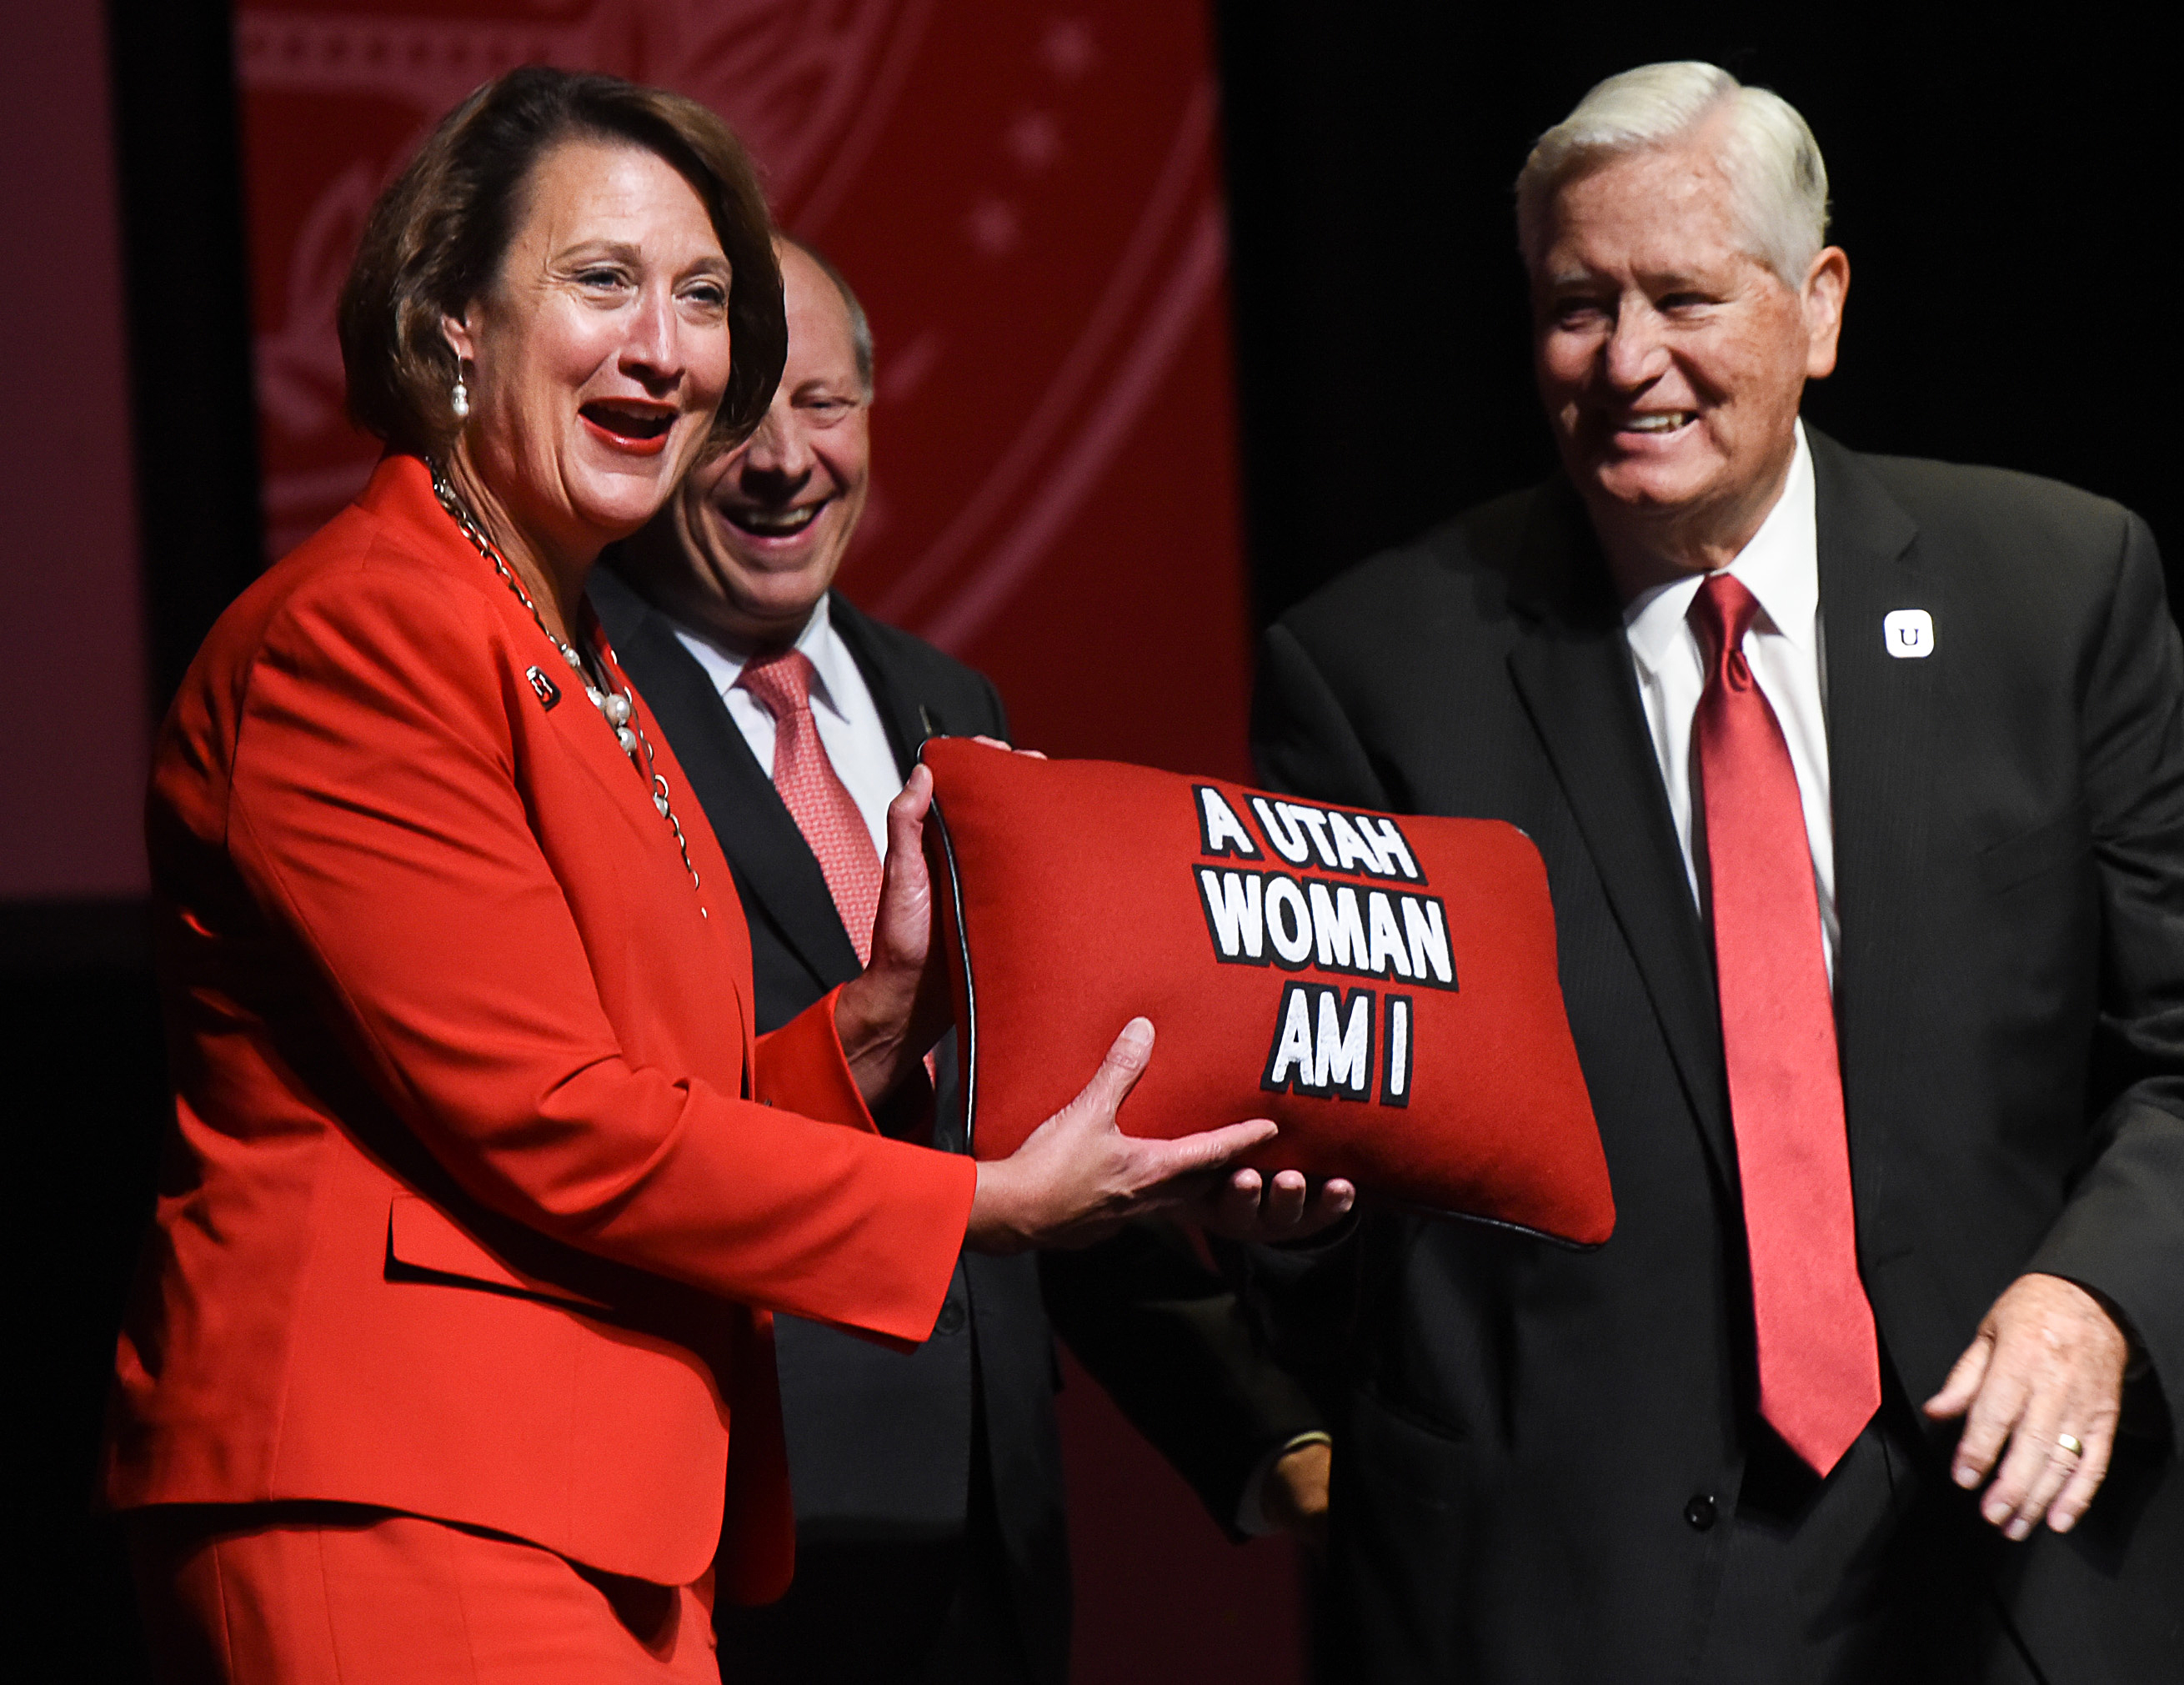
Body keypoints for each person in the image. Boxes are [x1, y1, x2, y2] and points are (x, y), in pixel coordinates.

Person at [107, 66, 1306, 1684]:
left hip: (612, 1513)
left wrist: (876, 1019)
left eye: (703, 299)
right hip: (405, 1499)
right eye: (601, 282)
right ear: (453, 319)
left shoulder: (577, 652)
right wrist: (983, 1207)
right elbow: (546, 1119)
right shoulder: (364, 634)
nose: (667, 351)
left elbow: (671, 1094)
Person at [1248, 60, 2184, 1684]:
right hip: (1601, 1575)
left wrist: (2098, 1300)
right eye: (1573, 305)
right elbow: (1341, 1150)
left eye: (1681, 295)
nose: (1627, 362)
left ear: (1816, 308)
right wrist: (1290, 1207)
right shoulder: (1378, 671)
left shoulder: (2051, 586)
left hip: (2044, 1544)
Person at [592, 233, 1340, 1685]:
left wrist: (1264, 1432)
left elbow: (1027, 1132)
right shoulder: (581, 706)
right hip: (728, 1541)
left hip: (987, 1550)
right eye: (738, 411)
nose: (783, 461)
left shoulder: (946, 699)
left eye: (826, 404)